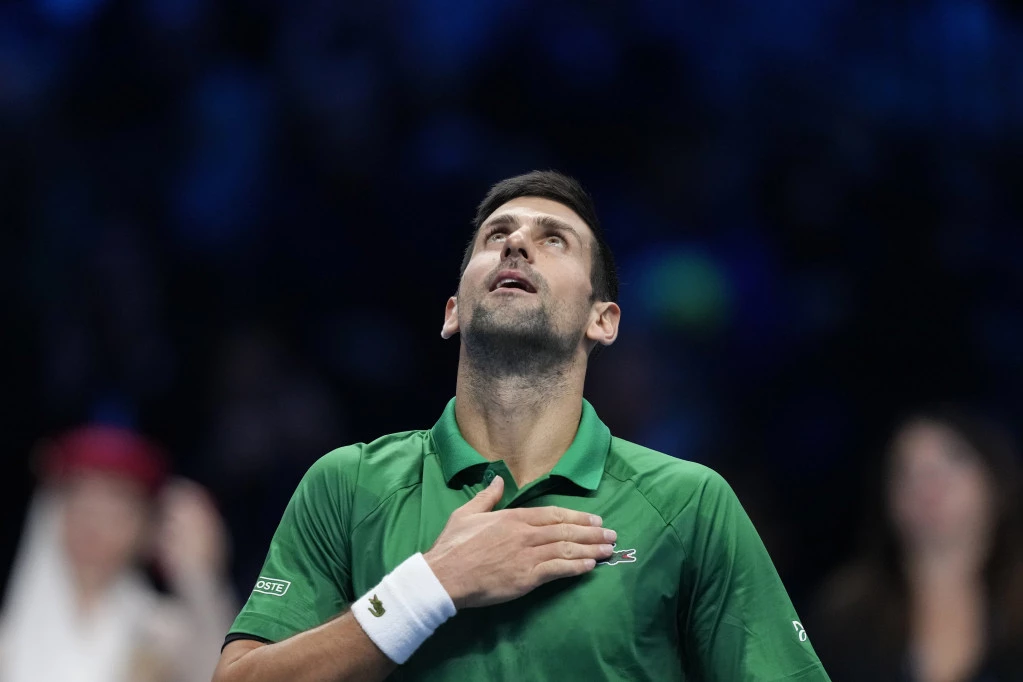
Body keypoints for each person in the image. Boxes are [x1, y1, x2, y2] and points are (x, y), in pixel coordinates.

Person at [214, 170, 830, 681]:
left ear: (602, 321)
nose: (516, 245)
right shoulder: (348, 485)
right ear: (453, 311)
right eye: (497, 235)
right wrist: (431, 585)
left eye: (554, 240)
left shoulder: (688, 503)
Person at [0, 425, 236, 682]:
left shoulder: (161, 631)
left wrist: (199, 579)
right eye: (82, 506)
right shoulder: (10, 632)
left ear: (145, 528)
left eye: (114, 512)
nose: (94, 525)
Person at [810, 408, 1023, 681]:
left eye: (953, 458)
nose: (928, 485)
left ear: (996, 481)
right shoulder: (844, 616)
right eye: (906, 470)